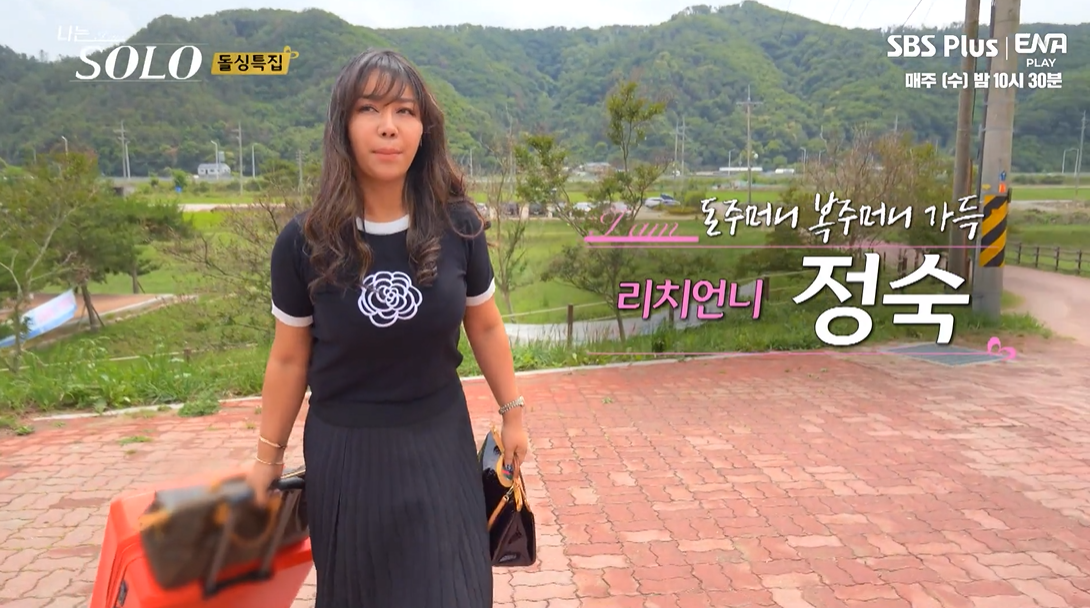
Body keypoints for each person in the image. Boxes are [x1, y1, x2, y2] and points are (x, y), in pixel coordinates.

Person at [244, 48, 530, 608]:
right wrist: (266, 461)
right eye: (369, 109)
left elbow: (486, 326)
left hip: (439, 444)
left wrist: (513, 413)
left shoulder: (459, 225)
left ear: (424, 128)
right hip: (348, 456)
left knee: (455, 592)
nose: (388, 126)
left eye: (404, 111)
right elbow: (288, 359)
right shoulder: (303, 241)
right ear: (343, 126)